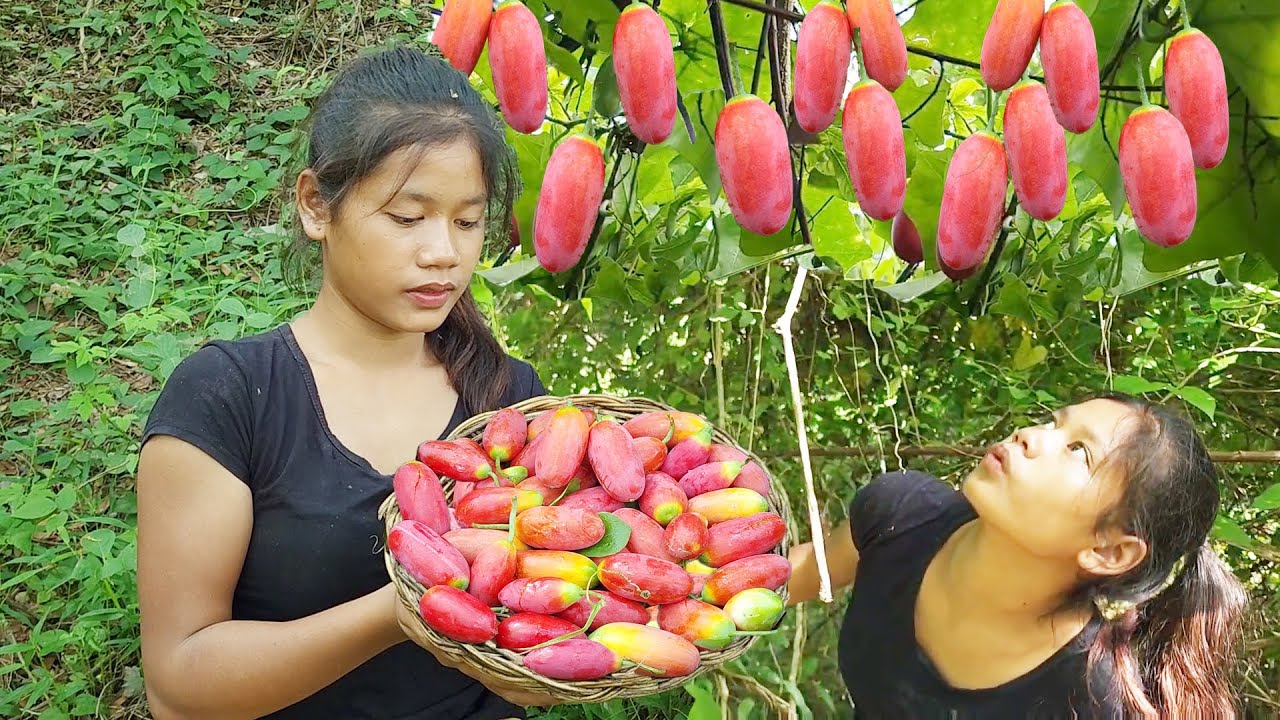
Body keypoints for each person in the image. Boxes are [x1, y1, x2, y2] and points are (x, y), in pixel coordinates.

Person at [136, 45, 559, 719]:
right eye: (407, 217)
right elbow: (179, 688)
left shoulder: (508, 397)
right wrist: (400, 612)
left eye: (468, 221)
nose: (443, 252)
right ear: (315, 206)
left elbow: (539, 616)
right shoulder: (229, 397)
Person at [786, 393, 1249, 719]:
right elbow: (801, 572)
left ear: (1109, 551)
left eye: (1077, 451)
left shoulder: (1085, 702)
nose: (1030, 435)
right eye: (1053, 422)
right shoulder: (901, 515)